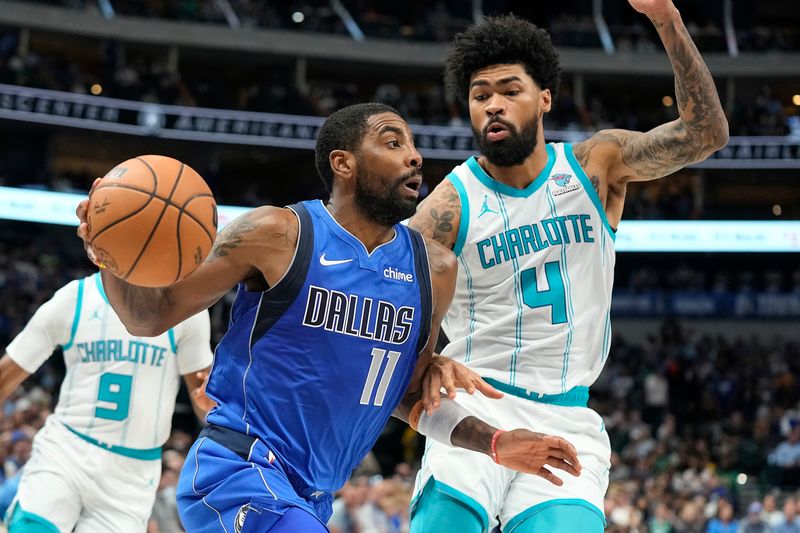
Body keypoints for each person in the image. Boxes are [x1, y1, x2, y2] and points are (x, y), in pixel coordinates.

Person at [75, 103, 582, 532]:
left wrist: (493, 442)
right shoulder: (277, 233)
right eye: (392, 142)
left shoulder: (435, 268)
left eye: (411, 144)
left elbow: (405, 396)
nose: (414, 156)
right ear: (344, 162)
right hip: (238, 470)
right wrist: (108, 251)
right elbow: (151, 316)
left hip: (314, 496)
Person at [407, 0, 728, 531]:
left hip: (568, 417)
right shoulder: (448, 207)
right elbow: (387, 298)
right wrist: (425, 358)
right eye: (480, 95)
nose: (493, 105)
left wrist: (667, 19)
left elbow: (705, 134)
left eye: (510, 91)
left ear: (544, 98)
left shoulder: (594, 166)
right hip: (474, 407)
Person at [0, 271, 213, 531]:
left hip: (132, 472)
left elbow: (206, 406)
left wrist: (212, 400)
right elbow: (7, 374)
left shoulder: (183, 308)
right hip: (66, 449)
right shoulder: (74, 298)